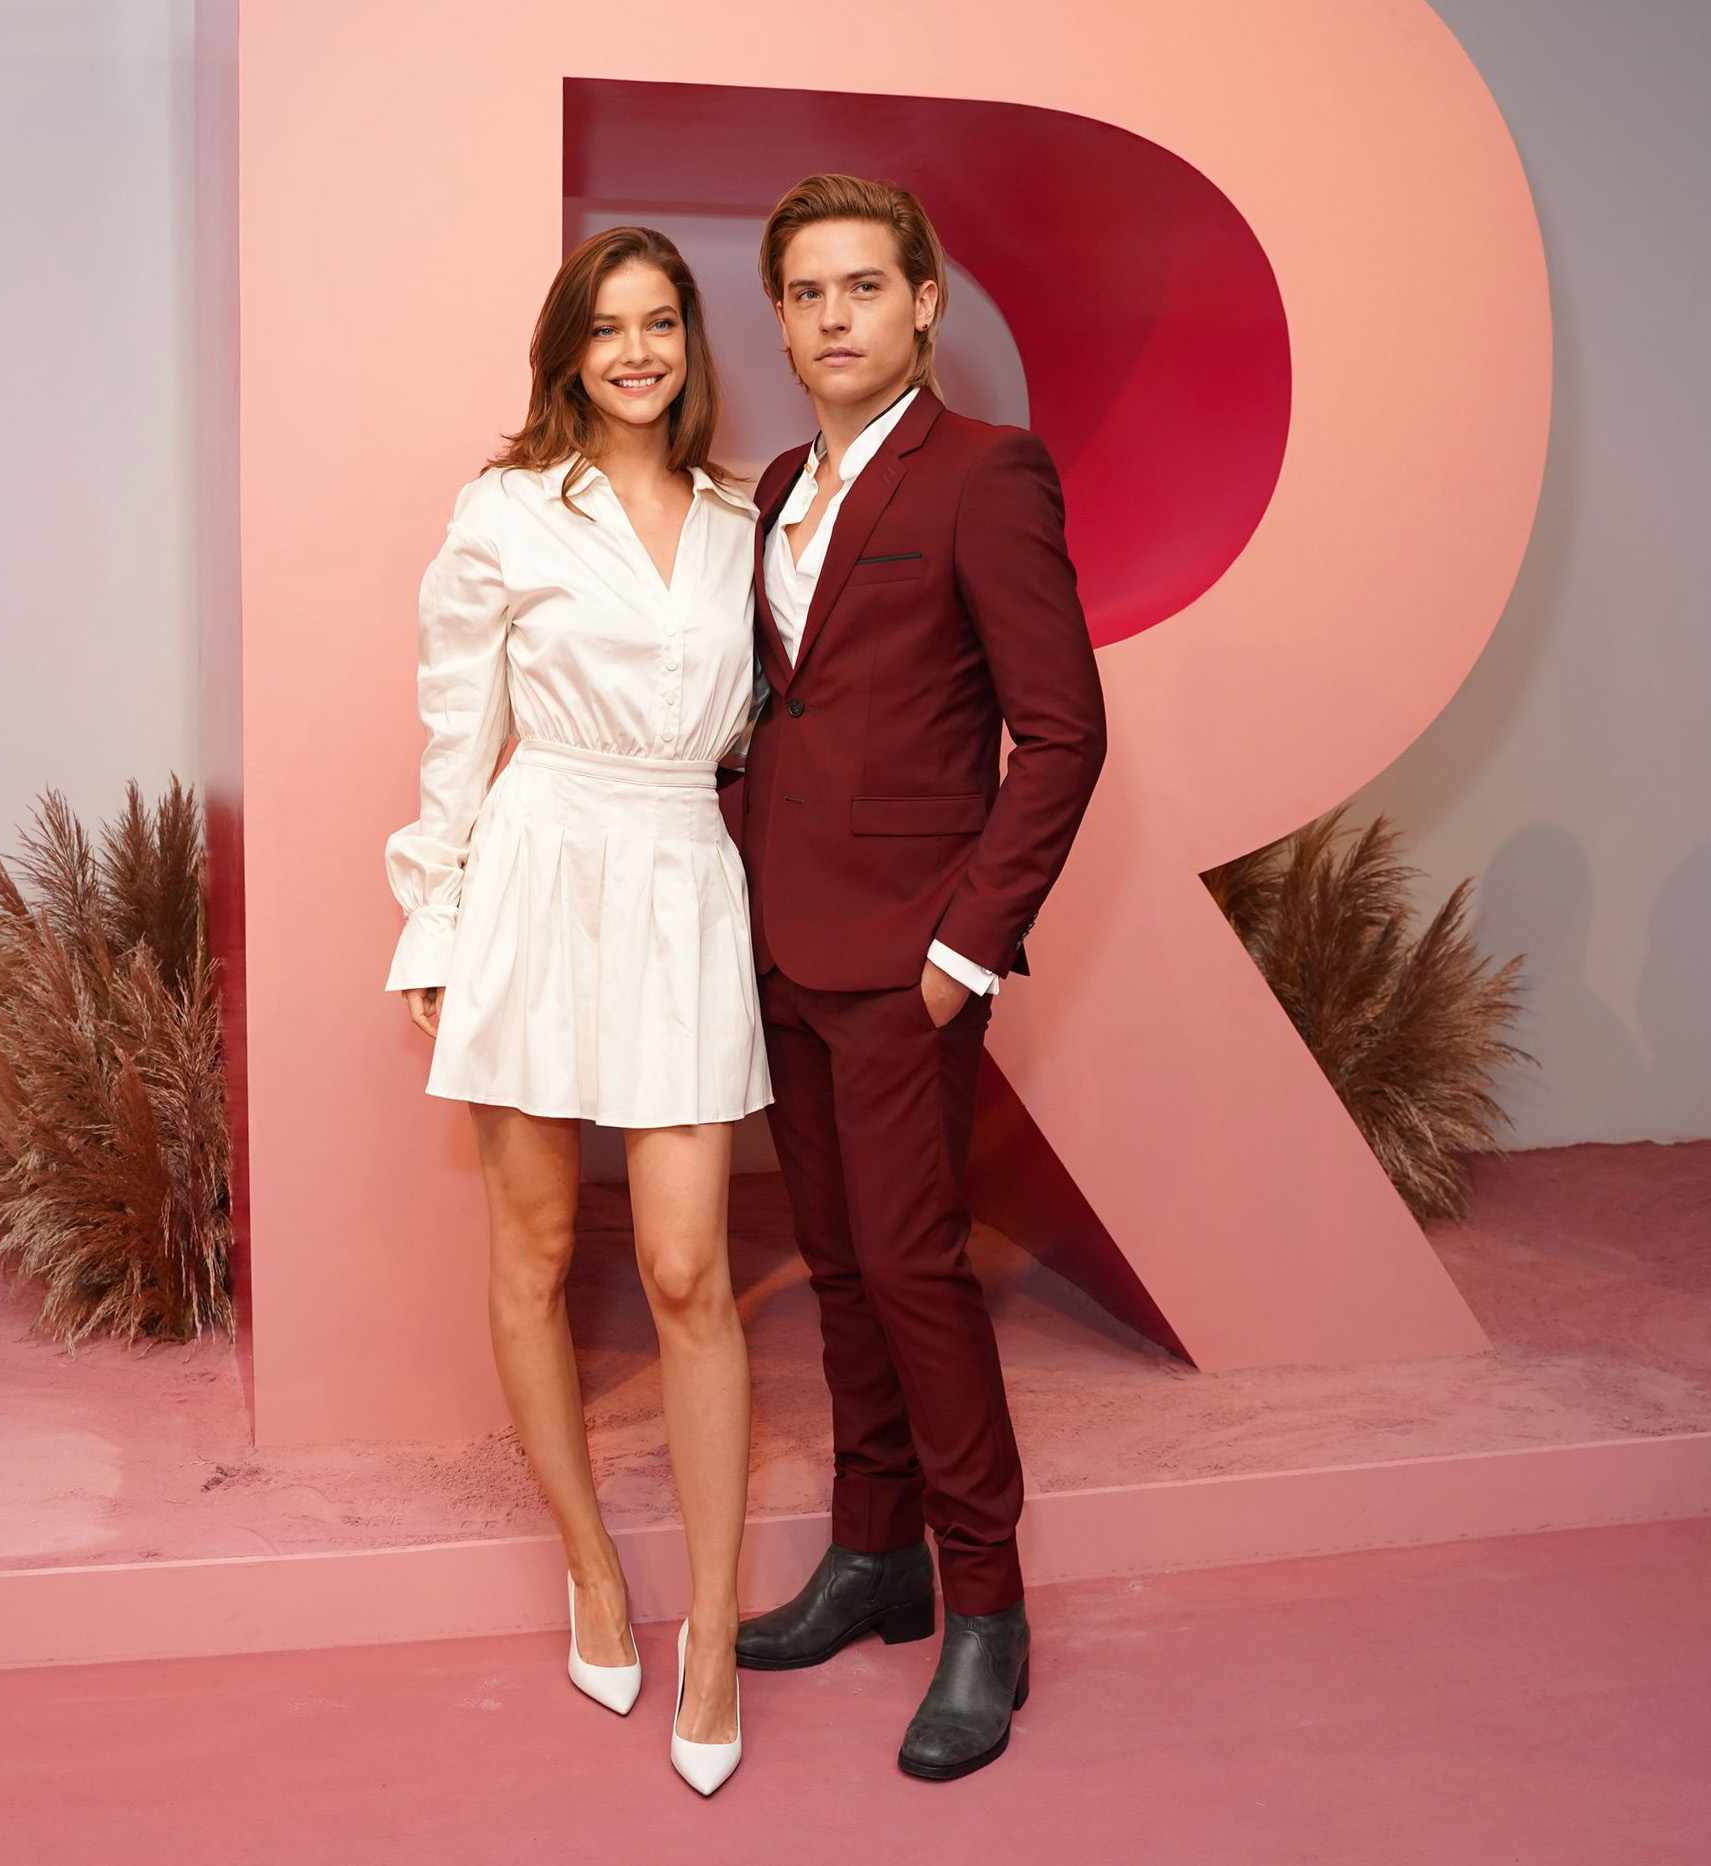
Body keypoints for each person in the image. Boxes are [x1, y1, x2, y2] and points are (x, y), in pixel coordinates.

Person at [729, 175, 1108, 1782]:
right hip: (779, 943)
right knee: (835, 1265)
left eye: (863, 287)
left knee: (914, 1270)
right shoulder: (776, 486)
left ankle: (986, 1610)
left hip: (906, 961)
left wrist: (961, 950)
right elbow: (791, 709)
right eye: (806, 292)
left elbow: (1063, 733)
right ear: (780, 318)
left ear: (924, 301)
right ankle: (873, 1554)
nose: (834, 317)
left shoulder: (984, 475)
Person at [384, 225, 761, 1797]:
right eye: (605, 327)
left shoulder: (747, 518)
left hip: (680, 876)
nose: (635, 351)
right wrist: (432, 919)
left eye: (658, 322)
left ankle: (715, 1627)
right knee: (535, 1252)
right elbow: (454, 728)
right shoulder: (504, 511)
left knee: (684, 1268)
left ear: (689, 341)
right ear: (566, 350)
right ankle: (592, 1568)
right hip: (536, 874)